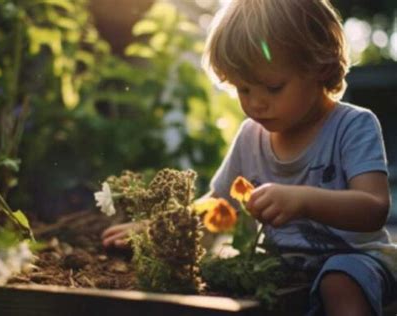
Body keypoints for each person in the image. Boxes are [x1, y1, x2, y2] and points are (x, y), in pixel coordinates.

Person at [102, 0, 397, 315]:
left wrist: (304, 200)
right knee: (224, 279)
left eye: (272, 87)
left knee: (338, 281)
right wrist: (160, 227)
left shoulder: (352, 126)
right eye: (243, 89)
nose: (256, 104)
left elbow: (374, 208)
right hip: (281, 267)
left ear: (319, 67)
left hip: (360, 261)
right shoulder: (250, 137)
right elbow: (217, 203)